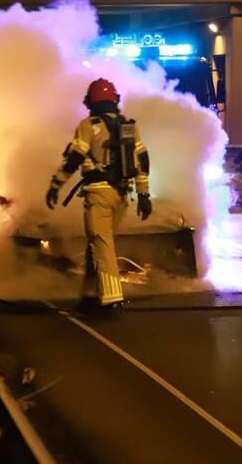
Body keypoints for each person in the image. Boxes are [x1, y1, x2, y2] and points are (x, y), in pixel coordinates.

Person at [46, 78, 151, 311]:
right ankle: (91, 290)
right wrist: (144, 195)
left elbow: (74, 158)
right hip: (122, 194)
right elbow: (143, 161)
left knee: (102, 245)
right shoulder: (129, 126)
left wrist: (56, 185)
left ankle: (111, 297)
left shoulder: (89, 125)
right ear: (116, 99)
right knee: (101, 242)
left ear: (89, 101)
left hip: (98, 195)